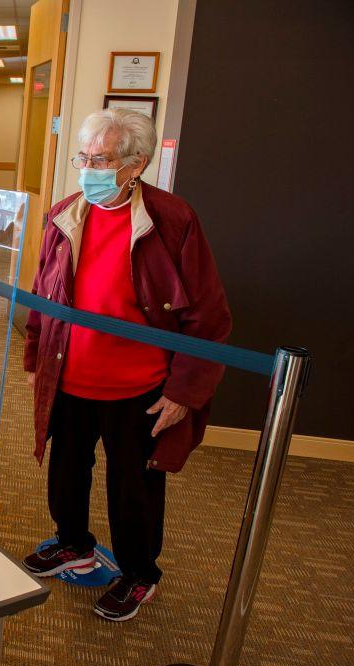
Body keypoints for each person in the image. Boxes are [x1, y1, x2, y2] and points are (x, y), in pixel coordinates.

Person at [21, 109, 231, 622]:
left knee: (132, 488)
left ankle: (139, 573)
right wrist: (35, 353)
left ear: (136, 164)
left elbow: (209, 316)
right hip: (70, 376)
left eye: (100, 159)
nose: (87, 168)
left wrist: (185, 392)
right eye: (83, 158)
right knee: (67, 473)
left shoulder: (172, 220)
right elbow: (44, 291)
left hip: (140, 388)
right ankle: (74, 544)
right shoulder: (66, 213)